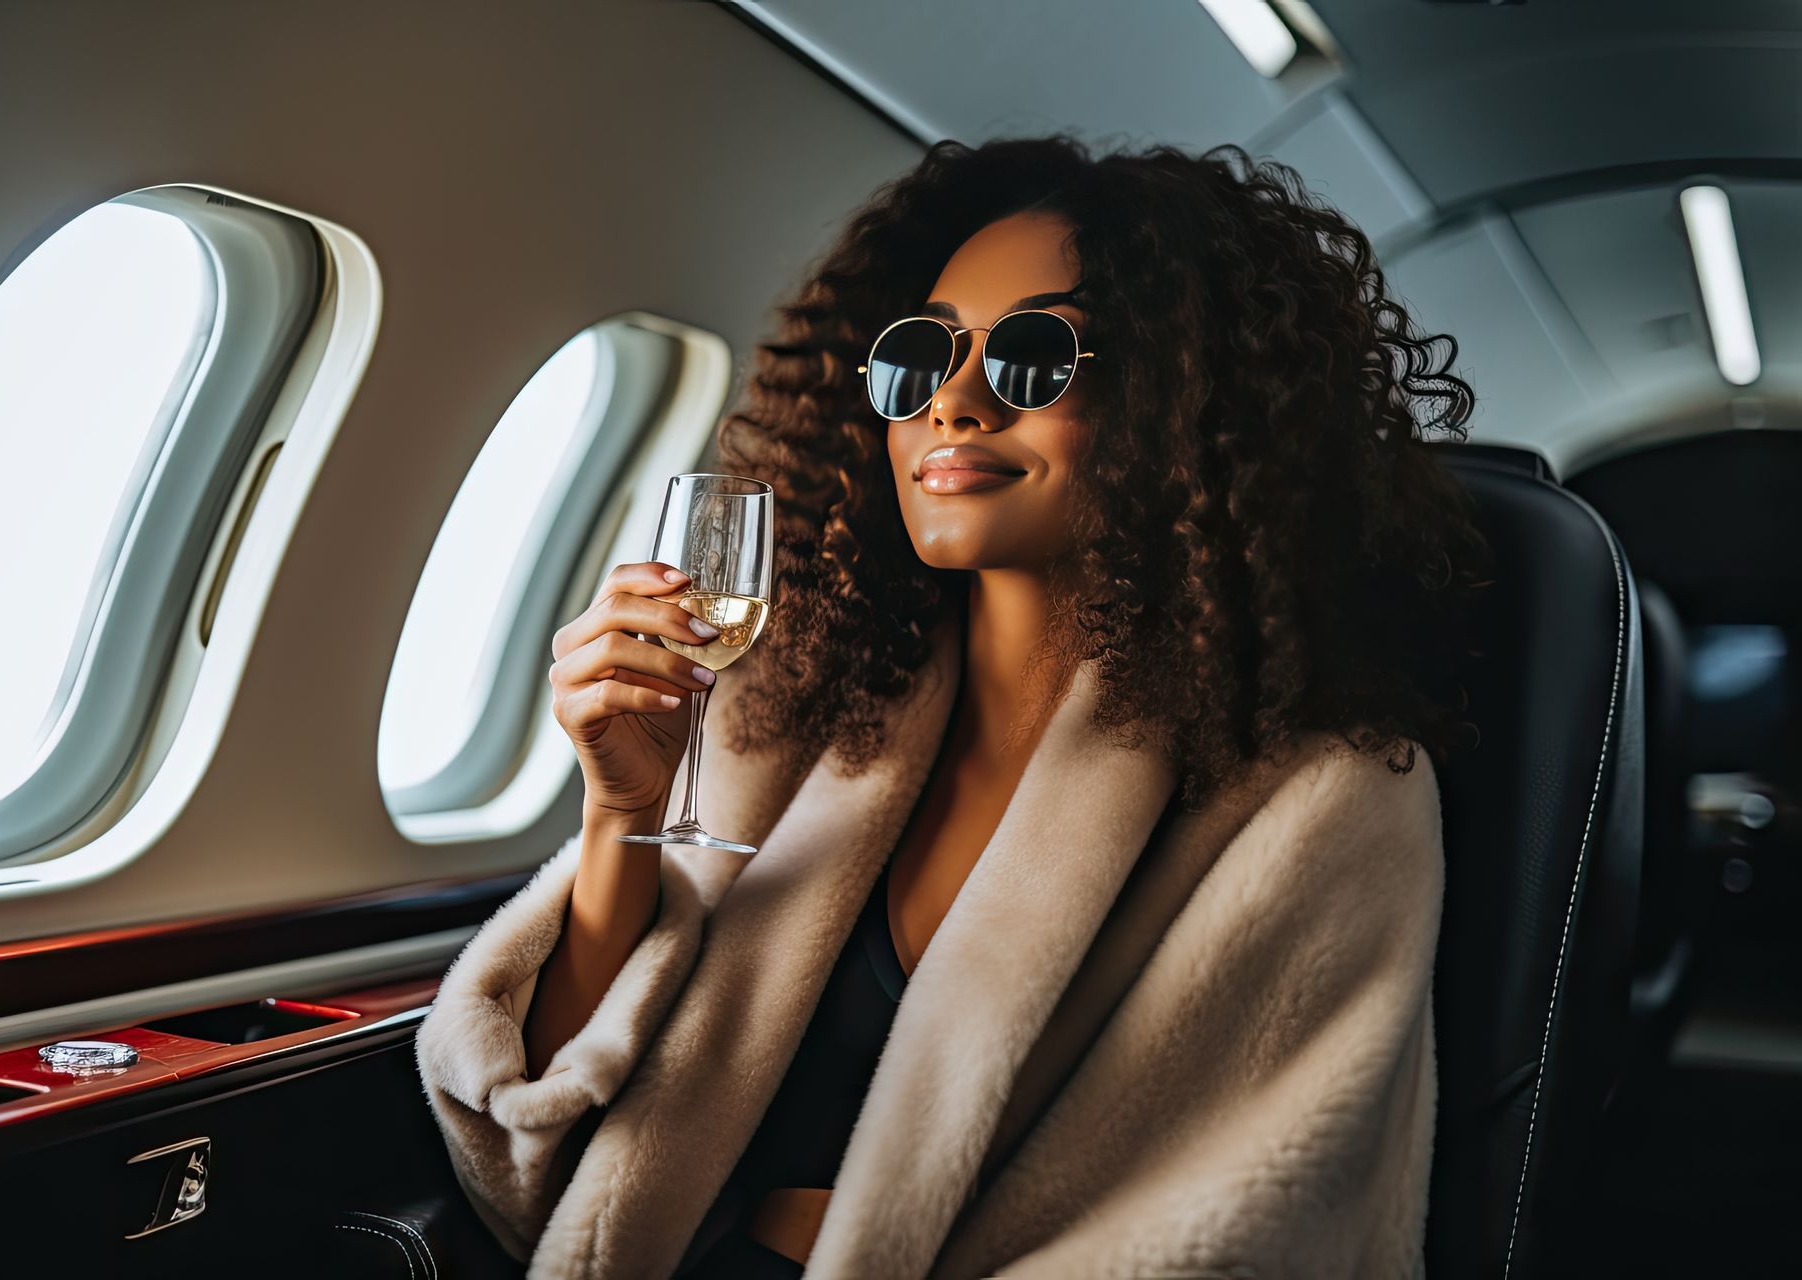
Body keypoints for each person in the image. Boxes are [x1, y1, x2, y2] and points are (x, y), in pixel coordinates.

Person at [415, 134, 1494, 1279]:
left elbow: (1243, 1221)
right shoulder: (801, 709)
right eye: (918, 356)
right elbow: (555, 1145)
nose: (957, 400)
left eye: (1036, 357)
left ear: (1191, 400)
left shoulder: (1321, 793)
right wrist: (621, 809)